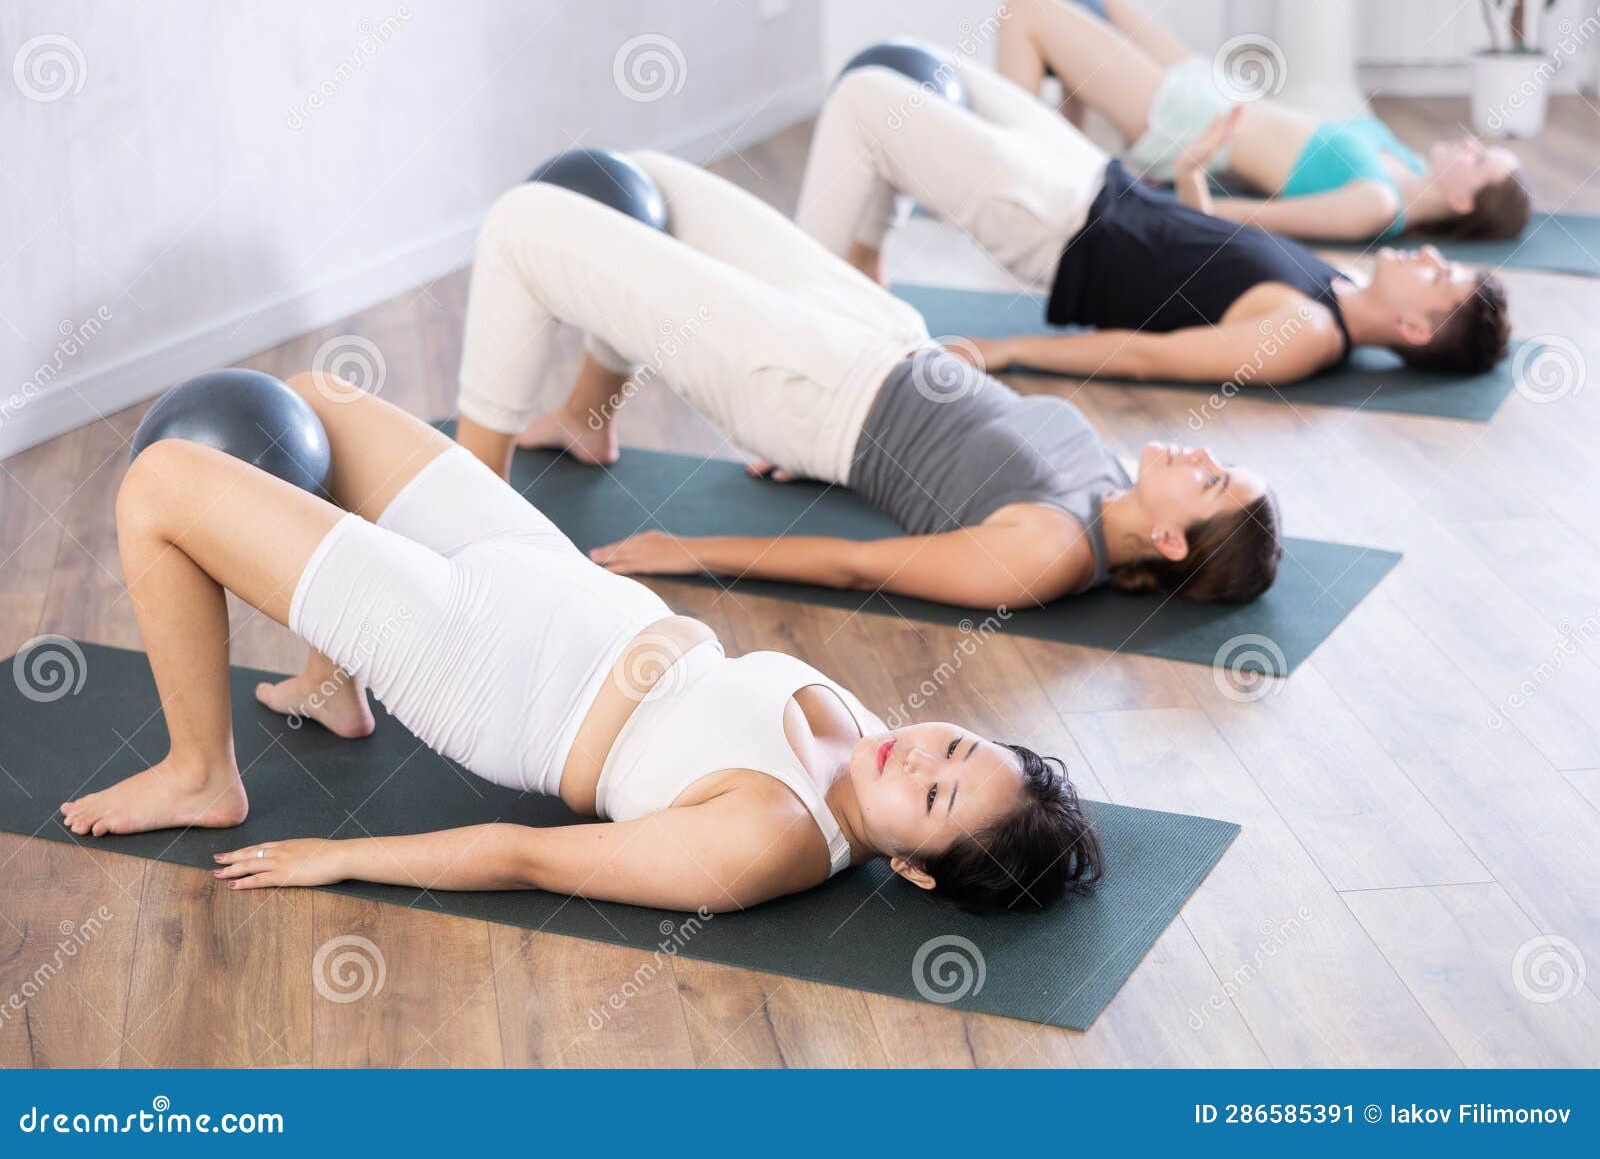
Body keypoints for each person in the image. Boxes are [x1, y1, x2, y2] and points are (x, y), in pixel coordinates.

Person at [64, 373, 1101, 916]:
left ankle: (199, 772)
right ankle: (335, 675)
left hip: (486, 666)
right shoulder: (878, 747)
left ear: (914, 873)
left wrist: (340, 857)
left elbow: (528, 857)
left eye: (932, 797)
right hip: (544, 571)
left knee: (160, 482)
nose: (919, 757)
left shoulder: (763, 841)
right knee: (315, 401)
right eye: (956, 747)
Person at [451, 152, 1281, 608]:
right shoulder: (1109, 482)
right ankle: (586, 414)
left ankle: (472, 518)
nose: (1200, 456)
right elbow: (966, 453)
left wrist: (689, 552)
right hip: (881, 331)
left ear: (1171, 541)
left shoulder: (1049, 554)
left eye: (1210, 482)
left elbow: (861, 565)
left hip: (812, 388)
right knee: (647, 178)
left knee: (525, 223)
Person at [796, 52, 1510, 387]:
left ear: (1416, 329)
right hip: (1095, 180)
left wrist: (1001, 351)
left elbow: (1145, 354)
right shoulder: (1341, 282)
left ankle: (803, 317)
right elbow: (1210, 266)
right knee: (919, 65)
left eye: (1441, 277)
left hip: (1059, 228)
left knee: (867, 97)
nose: (1429, 257)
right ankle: (866, 265)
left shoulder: (1307, 337)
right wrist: (1195, 174)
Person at [995, 0, 1530, 243]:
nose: (1470, 143)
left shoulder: (1376, 203)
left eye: (1480, 159)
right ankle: (1049, 158)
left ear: (1462, 200)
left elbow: (1245, 219)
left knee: (1027, 8)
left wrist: (1156, 194)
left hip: (1183, 119)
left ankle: (1009, 164)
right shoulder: (1405, 162)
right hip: (1211, 86)